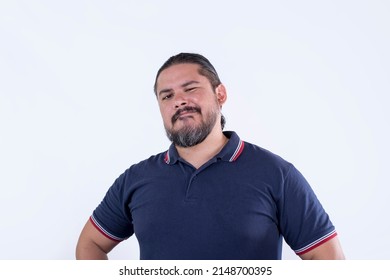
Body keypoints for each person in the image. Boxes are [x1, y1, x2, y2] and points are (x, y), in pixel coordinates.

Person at [76, 53, 345, 260]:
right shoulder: (136, 179)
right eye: (167, 96)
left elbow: (327, 259)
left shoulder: (276, 175)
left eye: (190, 89)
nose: (178, 101)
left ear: (220, 94)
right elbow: (90, 244)